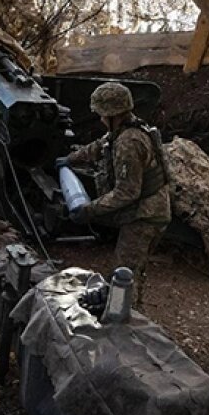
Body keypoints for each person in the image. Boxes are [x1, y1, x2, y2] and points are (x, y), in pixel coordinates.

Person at [61, 82, 171, 308]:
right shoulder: (125, 129)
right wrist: (71, 159)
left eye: (102, 114)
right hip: (149, 210)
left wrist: (88, 211)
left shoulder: (129, 143)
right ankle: (126, 308)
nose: (100, 119)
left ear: (112, 114)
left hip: (146, 217)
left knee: (124, 275)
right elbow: (100, 146)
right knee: (131, 270)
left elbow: (126, 192)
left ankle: (126, 317)